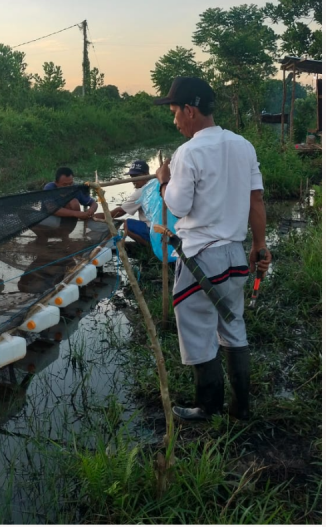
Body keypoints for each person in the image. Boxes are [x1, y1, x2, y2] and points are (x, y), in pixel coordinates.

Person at [154, 77, 269, 421]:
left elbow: (177, 206)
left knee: (197, 329)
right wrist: (259, 245)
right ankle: (241, 408)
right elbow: (256, 200)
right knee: (232, 324)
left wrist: (164, 180)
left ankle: (208, 407)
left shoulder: (188, 152)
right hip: (234, 255)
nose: (175, 121)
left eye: (175, 112)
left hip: (200, 259)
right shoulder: (243, 145)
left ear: (190, 110)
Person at [108, 160, 156, 249]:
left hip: (154, 230)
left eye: (136, 176)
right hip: (165, 229)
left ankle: (151, 247)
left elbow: (120, 211)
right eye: (132, 177)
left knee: (127, 224)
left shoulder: (141, 191)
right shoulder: (157, 183)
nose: (133, 180)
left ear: (146, 174)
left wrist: (104, 216)